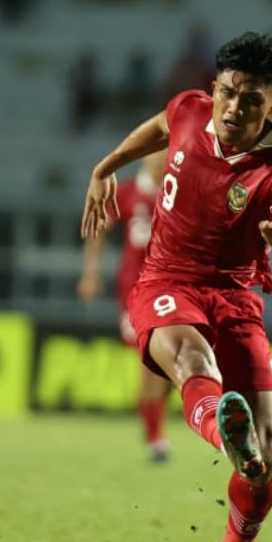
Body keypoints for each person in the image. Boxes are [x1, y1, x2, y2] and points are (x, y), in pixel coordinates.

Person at [80, 31, 272, 542]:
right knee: (191, 358)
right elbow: (161, 127)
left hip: (236, 300)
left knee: (266, 467)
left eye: (253, 99)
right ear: (214, 88)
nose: (236, 108)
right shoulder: (190, 109)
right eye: (229, 93)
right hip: (164, 281)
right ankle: (221, 428)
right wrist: (107, 164)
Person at [77, 152, 173, 464]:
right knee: (152, 361)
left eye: (167, 157)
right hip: (135, 291)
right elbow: (99, 229)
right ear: (145, 160)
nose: (161, 162)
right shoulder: (128, 192)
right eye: (156, 156)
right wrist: (90, 272)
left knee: (168, 365)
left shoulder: (177, 193)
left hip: (173, 290)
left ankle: (153, 426)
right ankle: (156, 434)